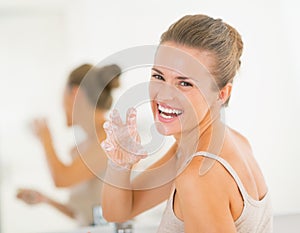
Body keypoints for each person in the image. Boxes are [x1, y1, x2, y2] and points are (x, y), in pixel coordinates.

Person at [100, 14, 273, 232]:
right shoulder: (210, 145)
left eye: (185, 83)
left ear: (221, 93)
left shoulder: (200, 176)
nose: (165, 95)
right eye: (159, 77)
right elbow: (119, 212)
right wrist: (119, 165)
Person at [17, 63, 121, 226]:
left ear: (75, 93)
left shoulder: (110, 139)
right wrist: (45, 199)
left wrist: (46, 139)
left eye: (61, 95)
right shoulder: (79, 149)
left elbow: (61, 179)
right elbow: (82, 213)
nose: (60, 105)